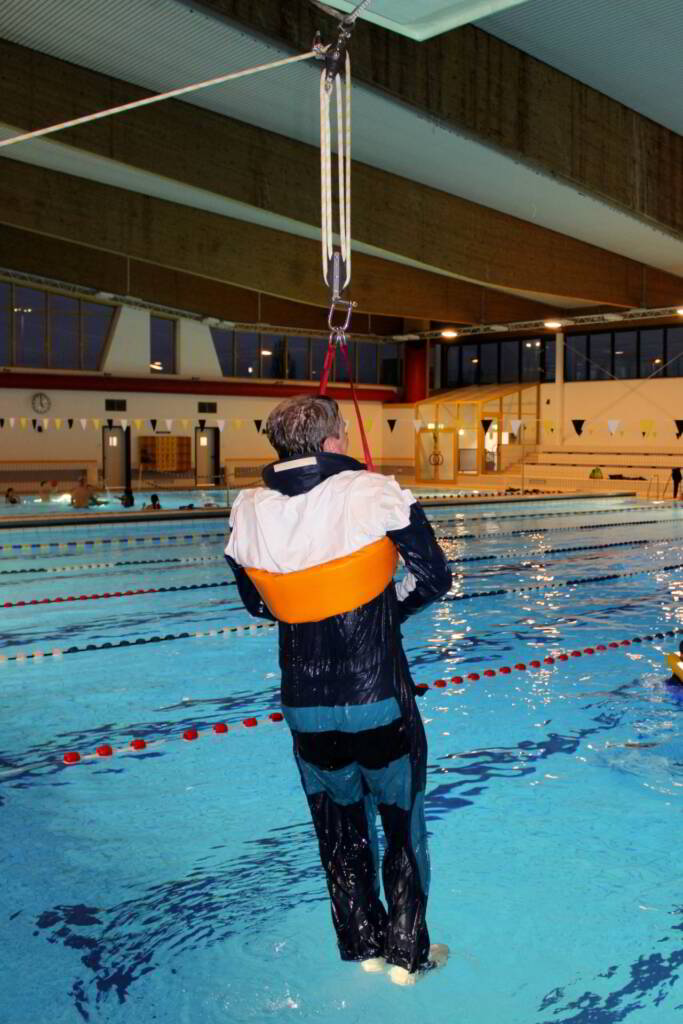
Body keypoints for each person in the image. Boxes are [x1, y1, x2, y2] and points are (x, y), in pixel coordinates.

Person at [226, 395, 452, 986]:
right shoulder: (372, 492)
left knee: (337, 830)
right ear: (331, 444)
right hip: (377, 698)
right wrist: (388, 613)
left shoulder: (247, 507)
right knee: (401, 827)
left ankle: (364, 947)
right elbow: (434, 577)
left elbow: (259, 604)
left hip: (306, 710)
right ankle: (409, 955)